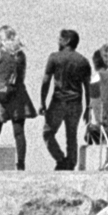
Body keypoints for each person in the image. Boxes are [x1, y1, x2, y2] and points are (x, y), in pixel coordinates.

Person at [40, 29, 93, 170]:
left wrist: (42, 102)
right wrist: (88, 107)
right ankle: (70, 164)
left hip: (58, 101)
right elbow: (88, 88)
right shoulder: (83, 61)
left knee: (48, 133)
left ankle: (61, 159)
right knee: (72, 136)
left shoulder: (54, 57)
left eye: (60, 39)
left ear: (67, 41)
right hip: (76, 103)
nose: (58, 41)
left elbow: (46, 81)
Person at [0, 28, 35, 170]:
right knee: (19, 131)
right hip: (18, 93)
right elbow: (22, 76)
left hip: (0, 94)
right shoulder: (21, 55)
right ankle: (21, 163)